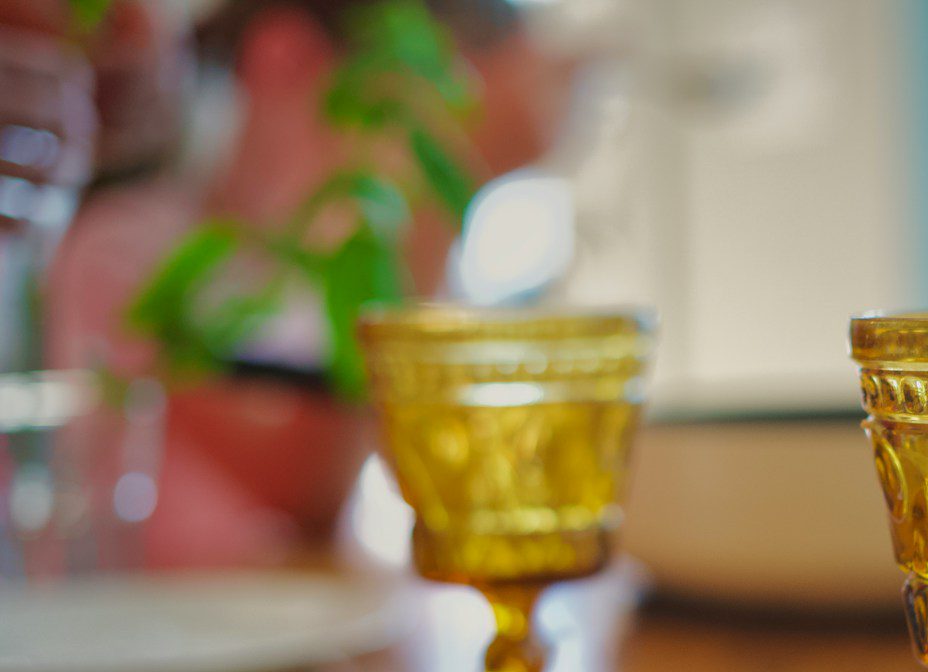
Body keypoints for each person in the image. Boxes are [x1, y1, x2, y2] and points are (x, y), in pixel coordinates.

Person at [45, 0, 577, 567]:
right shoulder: (122, 254)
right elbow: (300, 486)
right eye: (401, 123)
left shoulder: (310, 277)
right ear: (284, 58)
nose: (394, 170)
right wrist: (452, 184)